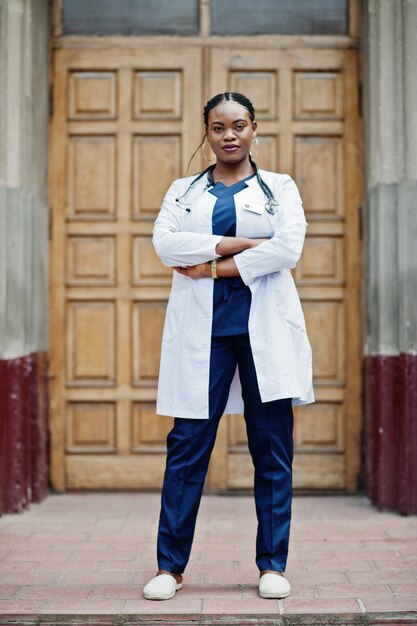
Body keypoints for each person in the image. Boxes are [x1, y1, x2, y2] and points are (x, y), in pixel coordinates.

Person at [143, 92, 314, 601]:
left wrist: (211, 266)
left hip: (264, 335)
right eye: (218, 128)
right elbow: (165, 244)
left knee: (272, 449)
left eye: (238, 125)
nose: (229, 135)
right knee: (187, 449)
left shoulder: (279, 187)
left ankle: (272, 564)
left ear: (254, 128)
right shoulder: (184, 190)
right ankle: (169, 568)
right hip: (205, 337)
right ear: (208, 134)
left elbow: (290, 246)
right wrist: (244, 245)